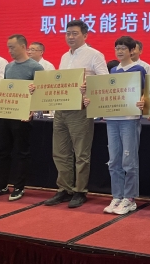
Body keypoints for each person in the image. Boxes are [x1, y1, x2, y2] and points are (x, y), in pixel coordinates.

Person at [42, 20, 108, 208]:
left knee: (81, 153)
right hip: (61, 108)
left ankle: (80, 191)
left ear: (85, 35)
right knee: (60, 152)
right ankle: (64, 189)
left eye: (74, 33)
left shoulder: (94, 55)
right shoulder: (64, 56)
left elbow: (105, 80)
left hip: (80, 109)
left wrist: (89, 86)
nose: (70, 37)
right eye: (68, 33)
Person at [83, 36, 146, 215]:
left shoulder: (138, 69)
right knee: (114, 160)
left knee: (129, 161)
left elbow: (145, 93)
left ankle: (130, 198)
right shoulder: (113, 71)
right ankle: (117, 196)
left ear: (132, 51)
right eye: (117, 48)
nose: (119, 51)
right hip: (111, 119)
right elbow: (104, 94)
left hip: (129, 119)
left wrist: (143, 101)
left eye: (123, 48)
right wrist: (89, 98)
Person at [0, 35, 43, 201]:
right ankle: (2, 185)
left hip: (23, 116)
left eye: (12, 47)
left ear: (23, 47)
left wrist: (32, 109)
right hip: (6, 113)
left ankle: (19, 187)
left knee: (21, 152)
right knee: (3, 150)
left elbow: (40, 92)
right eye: (8, 47)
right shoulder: (9, 67)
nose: (9, 50)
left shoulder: (36, 67)